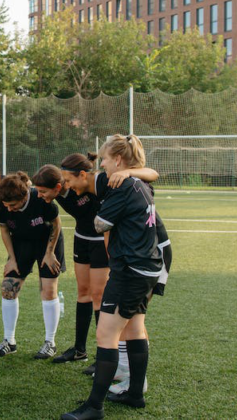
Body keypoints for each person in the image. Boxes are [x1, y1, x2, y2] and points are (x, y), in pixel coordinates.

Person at [62, 135, 163, 419]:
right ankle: (134, 395)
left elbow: (100, 224)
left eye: (104, 159)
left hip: (130, 270)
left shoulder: (122, 185)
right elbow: (150, 174)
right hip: (146, 268)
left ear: (117, 160)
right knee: (133, 329)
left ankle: (94, 407)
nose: (101, 164)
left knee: (106, 334)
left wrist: (103, 211)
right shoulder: (139, 181)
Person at [31, 158, 158, 369]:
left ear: (60, 186)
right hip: (82, 239)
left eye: (43, 191)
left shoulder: (87, 184)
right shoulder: (55, 188)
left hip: (102, 241)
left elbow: (151, 174)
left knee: (99, 296)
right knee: (83, 293)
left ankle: (104, 355)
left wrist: (126, 173)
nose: (39, 195)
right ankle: (79, 350)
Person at [0, 171, 65, 360]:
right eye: (6, 205)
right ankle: (9, 341)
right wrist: (12, 258)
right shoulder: (2, 205)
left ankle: (50, 342)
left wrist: (49, 253)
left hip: (47, 242)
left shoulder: (41, 200)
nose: (9, 209)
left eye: (13, 205)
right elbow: (4, 229)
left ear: (25, 197)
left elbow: (56, 225)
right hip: (21, 243)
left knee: (48, 290)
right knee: (8, 288)